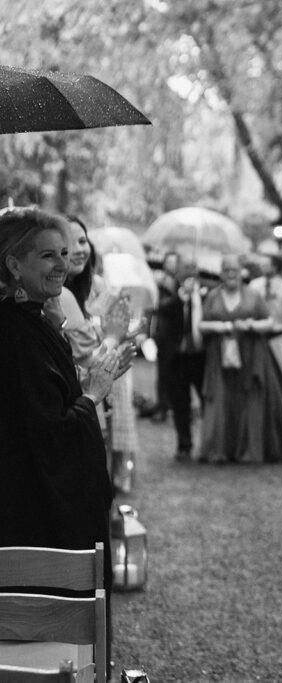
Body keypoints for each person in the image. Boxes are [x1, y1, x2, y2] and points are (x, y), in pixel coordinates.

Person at [0, 206, 133, 598]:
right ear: (13, 264)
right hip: (35, 509)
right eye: (47, 255)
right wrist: (93, 393)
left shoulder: (33, 320)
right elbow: (51, 431)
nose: (63, 264)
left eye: (63, 252)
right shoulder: (16, 334)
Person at [57, 215, 141, 487]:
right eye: (70, 243)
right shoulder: (60, 295)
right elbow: (90, 355)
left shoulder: (97, 287)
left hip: (96, 386)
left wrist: (119, 331)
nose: (79, 249)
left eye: (83, 240)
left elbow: (114, 323)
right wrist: (114, 338)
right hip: (76, 392)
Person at [197, 254, 282, 463]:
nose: (231, 274)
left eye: (234, 270)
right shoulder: (213, 296)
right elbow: (201, 325)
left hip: (251, 356)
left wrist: (250, 325)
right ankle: (220, 449)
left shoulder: (253, 295)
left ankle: (250, 449)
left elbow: (269, 321)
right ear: (221, 273)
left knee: (250, 400)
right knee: (222, 398)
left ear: (241, 273)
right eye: (226, 270)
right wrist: (221, 327)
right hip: (220, 357)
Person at [154, 255, 207, 462]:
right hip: (177, 359)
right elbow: (162, 310)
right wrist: (180, 297)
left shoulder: (206, 294)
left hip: (199, 357)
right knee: (180, 404)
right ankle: (184, 445)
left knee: (205, 400)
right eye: (186, 272)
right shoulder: (169, 292)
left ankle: (207, 443)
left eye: (193, 272)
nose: (190, 277)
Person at [248, 253, 282, 435]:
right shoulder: (254, 286)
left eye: (267, 264)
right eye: (262, 264)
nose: (264, 267)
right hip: (258, 338)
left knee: (281, 381)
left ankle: (280, 425)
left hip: (278, 339)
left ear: (276, 266)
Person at [148, 251, 181, 421]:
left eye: (174, 262)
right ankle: (162, 405)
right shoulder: (161, 283)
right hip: (164, 334)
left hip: (177, 335)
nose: (171, 266)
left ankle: (171, 406)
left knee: (175, 374)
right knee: (163, 373)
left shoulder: (179, 282)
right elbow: (158, 306)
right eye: (169, 262)